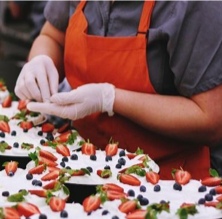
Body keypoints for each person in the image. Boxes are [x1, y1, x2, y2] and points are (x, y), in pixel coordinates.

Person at [15, 0, 222, 179]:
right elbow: (52, 37)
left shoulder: (194, 5)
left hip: (168, 184)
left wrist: (110, 99)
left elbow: (210, 120)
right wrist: (40, 60)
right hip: (82, 169)